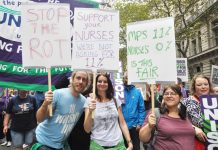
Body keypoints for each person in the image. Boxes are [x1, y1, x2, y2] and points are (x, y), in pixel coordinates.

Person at [34, 71, 89, 150]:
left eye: (84, 80)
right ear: (72, 80)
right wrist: (45, 104)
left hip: (61, 145)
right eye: (78, 78)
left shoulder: (84, 101)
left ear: (87, 84)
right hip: (43, 142)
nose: (81, 81)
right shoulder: (58, 94)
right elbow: (39, 119)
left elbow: (87, 128)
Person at [84, 72, 133, 150]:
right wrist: (90, 111)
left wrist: (129, 142)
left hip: (118, 145)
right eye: (99, 81)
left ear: (109, 84)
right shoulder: (90, 101)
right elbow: (87, 129)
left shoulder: (115, 100)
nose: (102, 83)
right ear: (95, 83)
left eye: (105, 81)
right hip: (98, 146)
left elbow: (122, 123)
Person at [139, 85, 195, 150]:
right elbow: (143, 138)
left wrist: (195, 129)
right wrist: (149, 126)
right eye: (166, 94)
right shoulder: (156, 113)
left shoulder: (186, 114)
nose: (169, 96)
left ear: (180, 97)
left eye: (173, 93)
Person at [182, 74, 213, 150]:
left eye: (206, 84)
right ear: (194, 87)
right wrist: (194, 128)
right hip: (195, 143)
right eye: (199, 85)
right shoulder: (186, 102)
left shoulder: (214, 100)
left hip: (213, 141)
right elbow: (179, 121)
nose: (203, 87)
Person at [122, 71, 145, 150]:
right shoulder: (119, 91)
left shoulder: (137, 92)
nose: (127, 79)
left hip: (134, 126)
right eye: (125, 78)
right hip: (122, 126)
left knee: (136, 147)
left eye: (128, 78)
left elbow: (141, 108)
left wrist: (140, 123)